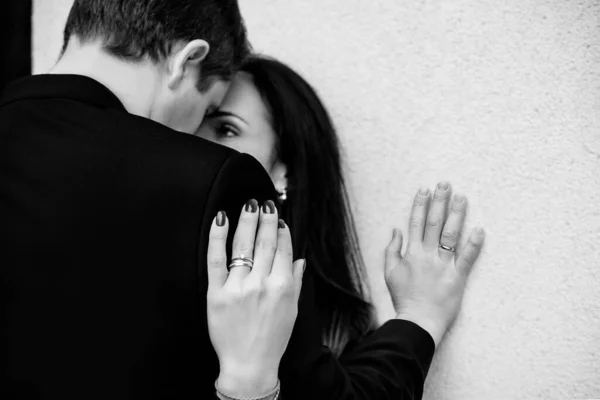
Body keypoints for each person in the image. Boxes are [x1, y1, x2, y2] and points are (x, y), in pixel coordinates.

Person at [0, 1, 300, 399]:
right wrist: (410, 326)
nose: (196, 133)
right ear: (187, 60)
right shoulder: (210, 181)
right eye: (208, 108)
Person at [197, 55, 486, 399]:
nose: (197, 140)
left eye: (227, 129)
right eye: (198, 119)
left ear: (283, 170)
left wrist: (420, 317)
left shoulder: (331, 327)